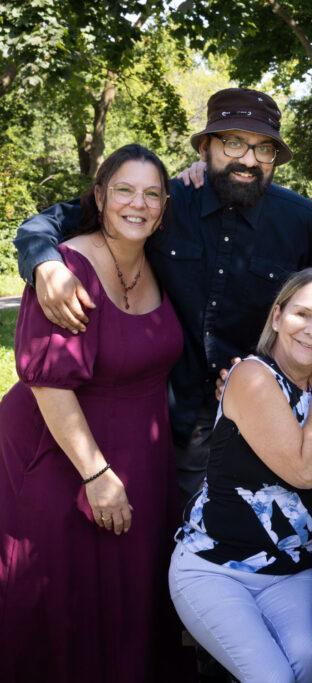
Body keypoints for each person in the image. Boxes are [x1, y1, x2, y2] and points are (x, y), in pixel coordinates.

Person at [15, 87, 312, 506]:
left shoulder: (302, 222)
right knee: (168, 536)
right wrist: (45, 265)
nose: (249, 159)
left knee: (258, 535)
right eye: (234, 142)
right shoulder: (164, 201)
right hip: (166, 412)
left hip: (261, 412)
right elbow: (55, 221)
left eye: (264, 148)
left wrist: (272, 373)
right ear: (205, 147)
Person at [0, 145, 190, 681]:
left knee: (130, 606)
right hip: (62, 457)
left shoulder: (157, 263)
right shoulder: (65, 270)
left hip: (143, 460)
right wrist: (97, 474)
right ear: (100, 196)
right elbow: (50, 383)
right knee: (65, 605)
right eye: (125, 190)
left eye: (152, 194)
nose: (139, 204)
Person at [168, 267, 312, 683]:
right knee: (272, 678)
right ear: (276, 318)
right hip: (215, 568)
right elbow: (304, 473)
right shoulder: (253, 376)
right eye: (301, 314)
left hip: (290, 572)